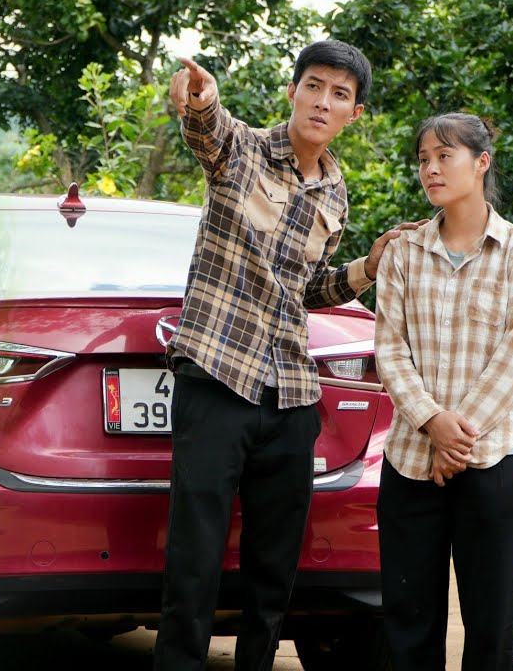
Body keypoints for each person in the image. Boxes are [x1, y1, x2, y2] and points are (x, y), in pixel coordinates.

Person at [154, 40, 416, 671]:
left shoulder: (336, 193)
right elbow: (205, 126)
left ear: (354, 113)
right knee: (195, 558)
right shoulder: (240, 148)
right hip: (217, 377)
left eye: (340, 94)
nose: (323, 101)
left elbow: (304, 288)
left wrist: (366, 269)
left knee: (275, 572)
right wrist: (201, 99)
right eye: (314, 86)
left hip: (291, 394)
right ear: (293, 90)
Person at [373, 113, 513, 670]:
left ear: (481, 162)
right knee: (408, 622)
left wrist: (457, 436)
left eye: (444, 155)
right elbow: (389, 351)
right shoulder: (403, 253)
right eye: (423, 159)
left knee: (490, 625)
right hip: (409, 464)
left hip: (492, 460)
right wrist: (432, 423)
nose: (430, 168)